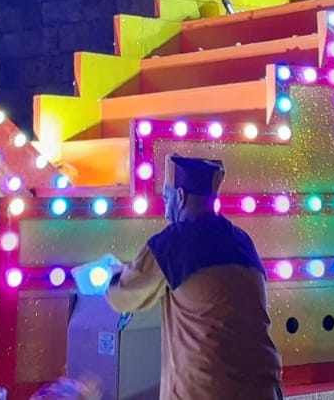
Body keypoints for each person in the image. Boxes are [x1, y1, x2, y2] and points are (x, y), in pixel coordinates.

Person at [104, 155, 283, 399]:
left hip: (207, 391)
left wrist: (112, 274)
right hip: (265, 390)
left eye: (167, 199)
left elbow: (123, 296)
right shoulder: (241, 241)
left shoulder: (173, 242)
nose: (166, 211)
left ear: (180, 196)